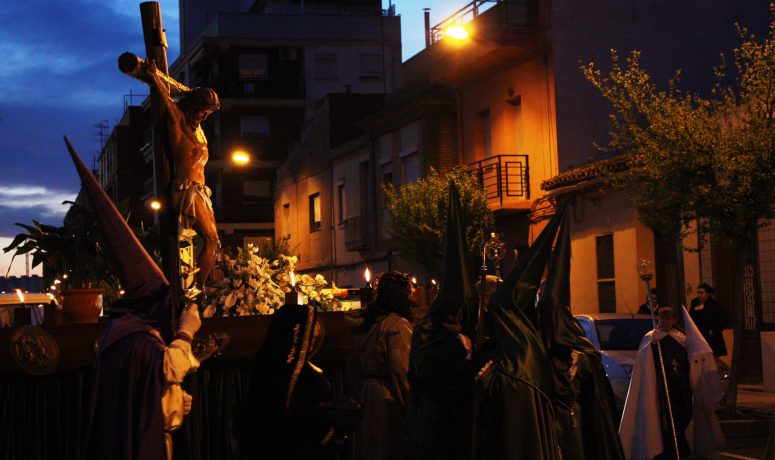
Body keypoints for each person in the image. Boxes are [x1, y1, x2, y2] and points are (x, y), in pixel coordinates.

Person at [64, 138, 202, 460]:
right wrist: (186, 331)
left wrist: (174, 398)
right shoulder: (135, 338)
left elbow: (149, 385)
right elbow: (168, 366)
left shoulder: (128, 331)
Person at [407, 183, 477, 460]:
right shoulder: (432, 332)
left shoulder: (449, 330)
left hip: (451, 423)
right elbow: (433, 376)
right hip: (437, 425)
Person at [143, 58, 221, 287]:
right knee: (211, 239)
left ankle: (196, 286)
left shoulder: (199, 132)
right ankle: (198, 288)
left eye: (208, 113)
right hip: (186, 189)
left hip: (201, 191)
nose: (205, 116)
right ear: (193, 106)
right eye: (203, 111)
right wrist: (154, 76)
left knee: (214, 242)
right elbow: (166, 100)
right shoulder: (178, 122)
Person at [620, 301, 728, 460]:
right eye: (663, 318)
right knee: (664, 420)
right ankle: (668, 450)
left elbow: (692, 358)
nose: (666, 321)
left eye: (669, 318)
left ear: (674, 320)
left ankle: (678, 445)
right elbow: (646, 365)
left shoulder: (681, 338)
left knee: (684, 415)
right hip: (662, 386)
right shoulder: (652, 339)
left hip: (681, 386)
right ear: (658, 319)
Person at [240, 303, 346, 459]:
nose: (311, 343)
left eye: (313, 338)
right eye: (309, 337)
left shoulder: (278, 367)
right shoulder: (289, 373)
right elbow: (301, 419)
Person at [345, 271, 414, 460]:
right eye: (409, 293)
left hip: (368, 395)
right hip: (388, 398)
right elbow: (402, 371)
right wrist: (410, 407)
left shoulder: (369, 323)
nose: (412, 298)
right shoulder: (397, 325)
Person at [689, 283, 729, 357]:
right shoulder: (694, 303)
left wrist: (714, 330)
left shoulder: (714, 305)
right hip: (697, 335)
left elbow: (724, 319)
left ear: (708, 294)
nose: (699, 295)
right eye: (698, 293)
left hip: (710, 337)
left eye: (702, 293)